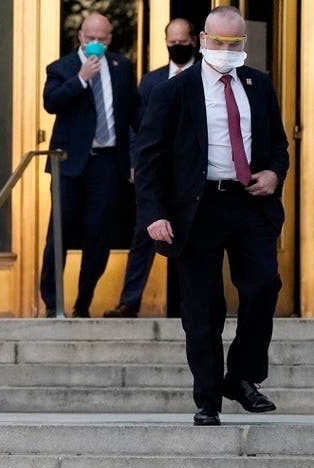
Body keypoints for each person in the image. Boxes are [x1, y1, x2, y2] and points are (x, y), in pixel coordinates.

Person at [135, 6, 288, 426]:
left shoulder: (259, 85)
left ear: (243, 43)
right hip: (196, 209)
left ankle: (240, 377)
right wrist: (154, 212)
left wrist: (274, 173)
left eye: (232, 43)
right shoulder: (174, 91)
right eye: (216, 41)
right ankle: (207, 399)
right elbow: (148, 157)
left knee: (263, 286)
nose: (224, 49)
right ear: (202, 40)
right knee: (203, 309)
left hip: (249, 203)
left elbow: (278, 145)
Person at [39, 12, 137, 317]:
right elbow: (51, 102)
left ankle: (83, 303)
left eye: (101, 39)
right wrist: (81, 78)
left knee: (99, 236)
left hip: (107, 164)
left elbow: (134, 114)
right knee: (60, 234)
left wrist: (136, 158)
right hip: (69, 164)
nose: (95, 43)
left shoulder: (122, 67)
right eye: (90, 38)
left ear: (109, 39)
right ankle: (53, 304)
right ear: (80, 36)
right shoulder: (61, 67)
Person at [105, 18, 199, 318]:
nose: (177, 47)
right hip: (159, 176)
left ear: (194, 41)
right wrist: (135, 163)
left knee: (197, 239)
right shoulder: (151, 82)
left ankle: (193, 306)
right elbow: (138, 129)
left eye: (182, 42)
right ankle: (130, 301)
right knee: (143, 235)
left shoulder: (205, 76)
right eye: (171, 43)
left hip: (194, 177)